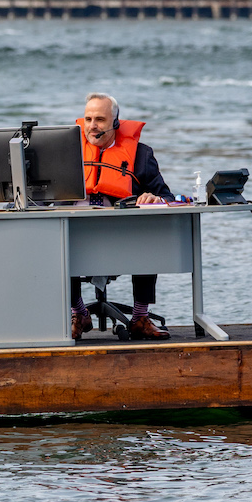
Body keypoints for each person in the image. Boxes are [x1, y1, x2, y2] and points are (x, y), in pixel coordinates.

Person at [72, 92, 176, 342]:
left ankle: (140, 317)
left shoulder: (141, 155)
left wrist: (154, 198)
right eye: (87, 119)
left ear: (115, 122)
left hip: (124, 236)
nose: (92, 126)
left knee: (149, 232)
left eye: (100, 119)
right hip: (75, 232)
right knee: (50, 236)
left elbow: (167, 196)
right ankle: (79, 313)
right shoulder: (66, 153)